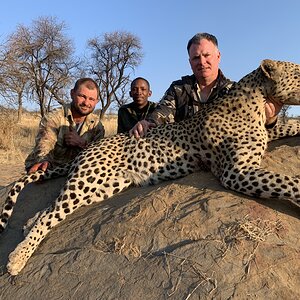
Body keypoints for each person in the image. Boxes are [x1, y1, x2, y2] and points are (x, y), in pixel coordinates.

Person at [130, 32, 283, 138]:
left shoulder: (236, 90)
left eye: (206, 55)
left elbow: (253, 126)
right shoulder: (178, 88)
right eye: (196, 58)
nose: (202, 62)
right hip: (183, 155)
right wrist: (147, 123)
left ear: (218, 56)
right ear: (190, 62)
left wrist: (270, 119)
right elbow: (161, 114)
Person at [25, 78, 105, 174]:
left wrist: (81, 143)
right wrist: (44, 161)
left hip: (77, 171)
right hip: (51, 168)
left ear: (97, 101)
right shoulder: (54, 117)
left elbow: (97, 156)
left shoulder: (97, 126)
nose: (86, 103)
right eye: (82, 96)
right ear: (72, 94)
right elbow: (44, 144)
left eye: (91, 99)